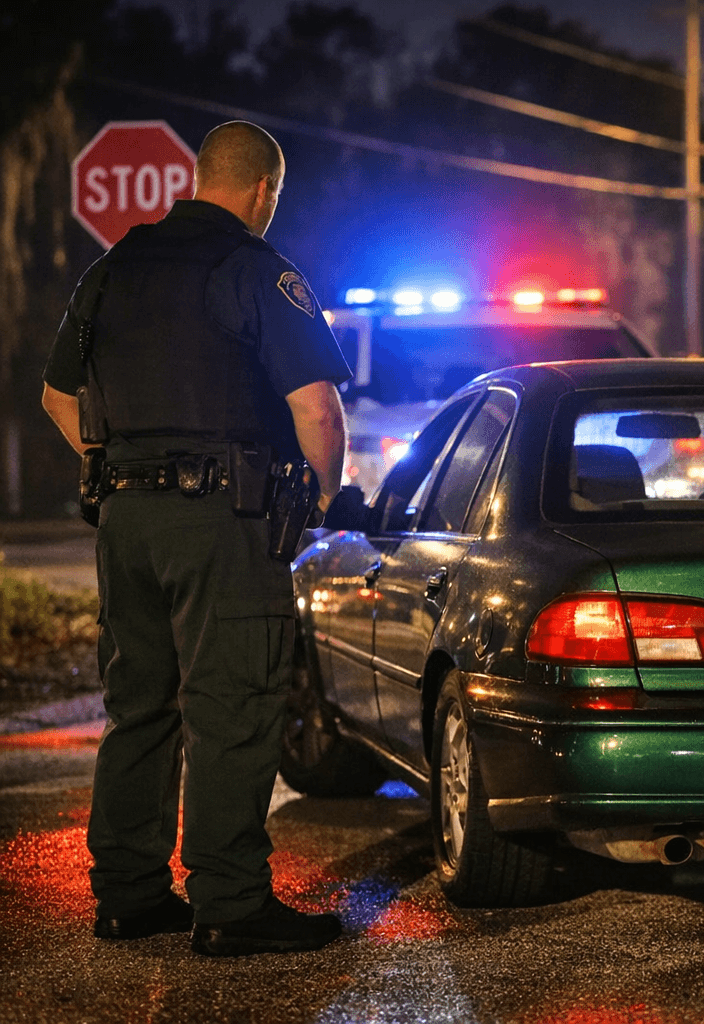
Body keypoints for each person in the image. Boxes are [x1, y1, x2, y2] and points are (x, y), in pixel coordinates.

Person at [40, 121, 352, 954]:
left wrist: (122, 464)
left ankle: (129, 896)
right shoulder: (255, 269)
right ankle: (230, 903)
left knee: (136, 706)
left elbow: (57, 398)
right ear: (263, 191)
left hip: (125, 519)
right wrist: (318, 494)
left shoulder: (111, 271)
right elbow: (316, 407)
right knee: (232, 705)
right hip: (221, 519)